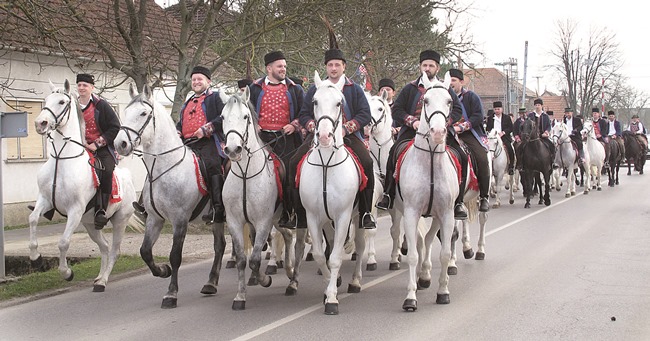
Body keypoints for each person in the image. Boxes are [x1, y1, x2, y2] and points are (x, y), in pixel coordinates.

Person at [287, 47, 376, 229]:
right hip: (319, 137)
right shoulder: (315, 89)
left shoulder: (354, 89)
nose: (333, 68)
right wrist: (315, 127)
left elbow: (365, 114)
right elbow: (304, 114)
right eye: (330, 65)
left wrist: (346, 128)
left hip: (348, 137)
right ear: (326, 68)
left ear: (344, 66)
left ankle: (366, 213)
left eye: (337, 65)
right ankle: (298, 213)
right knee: (294, 162)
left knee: (367, 162)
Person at [376, 50, 468, 220]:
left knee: (461, 155)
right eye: (424, 65)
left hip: (439, 132)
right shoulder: (410, 88)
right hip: (412, 133)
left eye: (431, 65)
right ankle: (388, 194)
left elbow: (457, 109)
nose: (427, 68)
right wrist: (413, 122)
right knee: (393, 152)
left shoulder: (444, 87)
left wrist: (443, 123)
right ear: (420, 66)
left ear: (437, 68)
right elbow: (397, 110)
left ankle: (458, 202)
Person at [248, 51, 305, 227]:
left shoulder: (295, 88)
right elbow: (246, 110)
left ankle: (289, 213)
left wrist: (294, 125)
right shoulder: (254, 88)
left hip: (286, 139)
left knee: (290, 173)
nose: (283, 69)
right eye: (280, 66)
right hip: (261, 138)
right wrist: (253, 124)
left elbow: (304, 113)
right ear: (269, 68)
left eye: (285, 66)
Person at [177, 66, 227, 223]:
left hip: (208, 142)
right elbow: (181, 122)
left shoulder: (216, 98)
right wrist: (177, 132)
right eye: (194, 80)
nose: (196, 82)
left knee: (213, 164)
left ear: (208, 81)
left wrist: (206, 129)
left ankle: (217, 208)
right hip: (186, 143)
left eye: (200, 79)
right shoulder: (188, 102)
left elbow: (224, 117)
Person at [76, 73, 121, 230]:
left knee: (107, 170)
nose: (81, 88)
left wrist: (97, 143)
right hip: (78, 147)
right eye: (79, 85)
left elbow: (115, 126)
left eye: (85, 85)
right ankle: (50, 204)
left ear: (91, 88)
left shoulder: (101, 105)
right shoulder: (71, 104)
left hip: (100, 149)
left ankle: (101, 210)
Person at [448, 68, 490, 212]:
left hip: (468, 133)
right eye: (449, 80)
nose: (451, 83)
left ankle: (484, 196)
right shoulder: (445, 96)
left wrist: (461, 127)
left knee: (482, 158)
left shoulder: (471, 97)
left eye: (453, 80)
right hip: (448, 133)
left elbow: (478, 116)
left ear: (461, 82)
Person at [486, 101, 515, 175]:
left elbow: (511, 128)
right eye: (495, 109)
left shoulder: (507, 117)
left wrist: (503, 132)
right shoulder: (490, 118)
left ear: (501, 109)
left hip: (504, 137)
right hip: (493, 138)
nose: (497, 111)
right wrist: (491, 133)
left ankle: (511, 166)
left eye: (498, 109)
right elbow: (488, 128)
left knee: (510, 148)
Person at [528, 98, 556, 168]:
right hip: (532, 137)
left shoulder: (545, 116)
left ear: (541, 106)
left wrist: (546, 132)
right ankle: (522, 164)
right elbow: (527, 125)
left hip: (542, 136)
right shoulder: (530, 115)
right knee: (523, 147)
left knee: (552, 146)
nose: (537, 106)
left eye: (539, 105)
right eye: (536, 105)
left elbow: (549, 126)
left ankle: (552, 162)